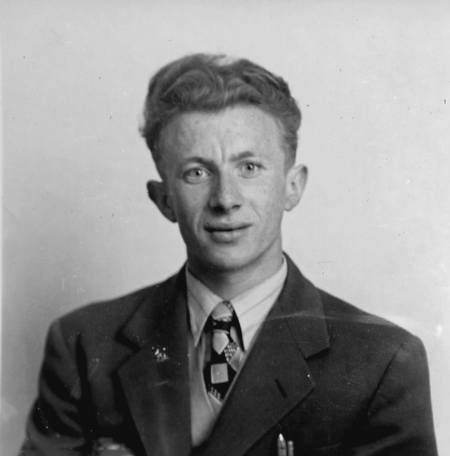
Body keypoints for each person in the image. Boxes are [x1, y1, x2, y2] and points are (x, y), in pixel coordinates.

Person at [20, 54, 438, 456]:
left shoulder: (381, 362)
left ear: (293, 186)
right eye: (197, 172)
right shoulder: (84, 344)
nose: (225, 199)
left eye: (249, 167)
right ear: (163, 199)